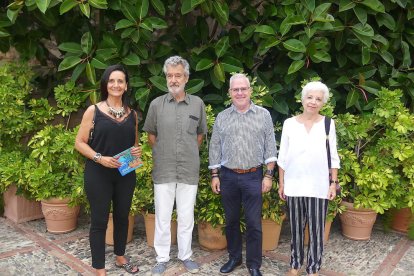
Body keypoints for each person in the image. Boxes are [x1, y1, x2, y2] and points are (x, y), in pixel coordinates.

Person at [142, 56, 207, 276]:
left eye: (177, 75)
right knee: (162, 216)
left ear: (186, 77)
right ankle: (161, 258)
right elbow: (152, 136)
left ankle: (185, 256)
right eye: (169, 75)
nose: (173, 79)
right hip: (164, 168)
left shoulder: (197, 104)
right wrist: (165, 152)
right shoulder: (156, 105)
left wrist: (186, 152)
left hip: (189, 168)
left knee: (186, 216)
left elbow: (199, 136)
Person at [75, 65, 141, 275]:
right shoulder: (93, 111)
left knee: (122, 217)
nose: (116, 85)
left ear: (126, 86)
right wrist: (99, 158)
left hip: (125, 174)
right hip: (98, 174)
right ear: (105, 84)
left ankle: (120, 257)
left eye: (120, 81)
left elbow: (134, 143)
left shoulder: (133, 115)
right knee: (99, 220)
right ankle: (100, 269)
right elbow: (79, 142)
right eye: (111, 81)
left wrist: (137, 152)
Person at [209, 73, 277, 276]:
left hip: (253, 176)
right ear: (230, 93)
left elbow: (270, 147)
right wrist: (214, 175)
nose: (239, 92)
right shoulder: (222, 117)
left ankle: (254, 265)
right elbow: (215, 147)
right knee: (231, 221)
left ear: (250, 90)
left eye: (243, 89)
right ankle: (234, 258)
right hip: (228, 177)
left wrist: (269, 175)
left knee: (254, 223)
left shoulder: (263, 115)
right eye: (235, 89)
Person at [277, 81, 340, 276]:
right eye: (310, 97)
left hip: (319, 186)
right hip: (294, 185)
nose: (313, 102)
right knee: (295, 229)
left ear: (323, 103)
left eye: (318, 99)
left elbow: (333, 157)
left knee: (316, 231)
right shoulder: (289, 124)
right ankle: (295, 266)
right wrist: (282, 183)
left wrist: (332, 183)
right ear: (302, 99)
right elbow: (283, 158)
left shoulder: (328, 124)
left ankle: (313, 269)